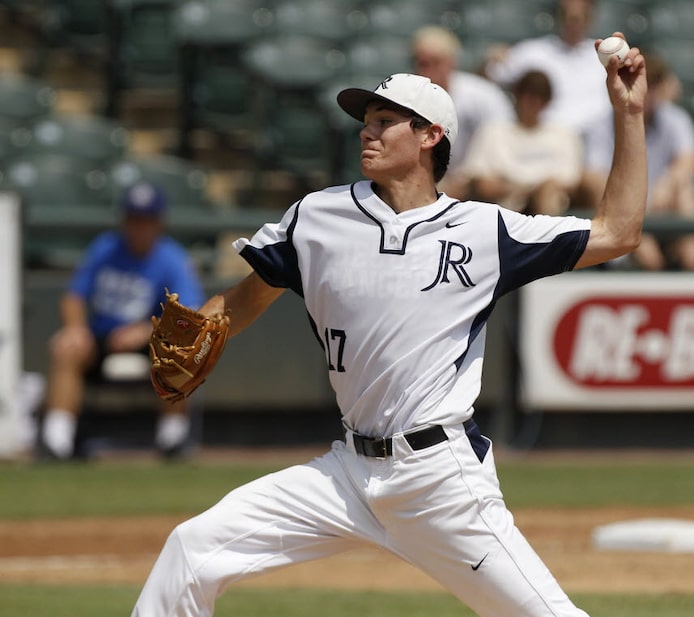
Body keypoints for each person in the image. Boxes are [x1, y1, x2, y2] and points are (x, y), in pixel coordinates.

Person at [131, 32, 647, 617]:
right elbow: (248, 297)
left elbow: (618, 232)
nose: (366, 131)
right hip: (346, 476)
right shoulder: (317, 215)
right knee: (190, 550)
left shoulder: (484, 231)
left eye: (385, 120)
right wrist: (204, 323)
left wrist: (629, 113)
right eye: (365, 120)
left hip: (439, 482)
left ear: (431, 136)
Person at [40, 182, 205, 460]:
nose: (139, 227)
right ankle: (57, 442)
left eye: (146, 220)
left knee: (179, 351)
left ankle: (173, 439)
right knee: (65, 346)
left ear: (159, 222)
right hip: (101, 335)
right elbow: (74, 297)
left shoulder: (171, 258)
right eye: (133, 219)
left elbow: (190, 308)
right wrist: (76, 328)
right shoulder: (105, 247)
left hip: (151, 339)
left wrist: (144, 330)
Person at [582, 51, 694, 270]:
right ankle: (653, 272)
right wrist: (634, 205)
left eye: (655, 83)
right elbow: (594, 177)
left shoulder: (674, 118)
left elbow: (690, 161)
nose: (648, 90)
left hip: (663, 207)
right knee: (622, 209)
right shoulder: (601, 124)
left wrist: (669, 181)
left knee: (686, 191)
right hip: (621, 213)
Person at [411, 24, 515, 198]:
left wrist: (467, 175)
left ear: (451, 62)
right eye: (423, 63)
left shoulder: (483, 94)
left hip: (480, 180)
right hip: (431, 181)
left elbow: (503, 138)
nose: (428, 70)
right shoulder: (408, 97)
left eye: (436, 62)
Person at [461, 69, 583, 215]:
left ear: (547, 102)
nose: (532, 102)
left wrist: (534, 191)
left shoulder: (564, 134)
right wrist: (520, 191)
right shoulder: (493, 131)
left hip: (550, 203)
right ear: (517, 96)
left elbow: (570, 182)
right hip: (506, 206)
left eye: (539, 97)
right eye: (527, 96)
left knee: (549, 192)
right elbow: (481, 181)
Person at [485, 0, 611, 137]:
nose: (574, 22)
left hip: (595, 143)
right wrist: (493, 57)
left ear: (590, 18)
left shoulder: (603, 54)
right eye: (567, 15)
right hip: (547, 142)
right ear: (558, 16)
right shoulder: (533, 52)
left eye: (580, 16)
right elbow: (493, 74)